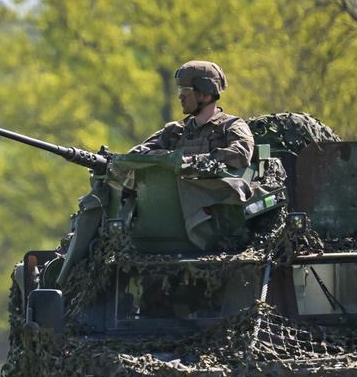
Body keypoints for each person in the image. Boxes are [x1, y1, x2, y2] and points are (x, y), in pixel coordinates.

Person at [57, 60, 257, 284]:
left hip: (213, 222)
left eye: (185, 91)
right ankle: (65, 278)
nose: (180, 96)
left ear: (205, 93)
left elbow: (241, 155)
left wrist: (194, 162)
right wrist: (114, 161)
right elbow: (138, 155)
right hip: (163, 219)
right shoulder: (175, 132)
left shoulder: (231, 127)